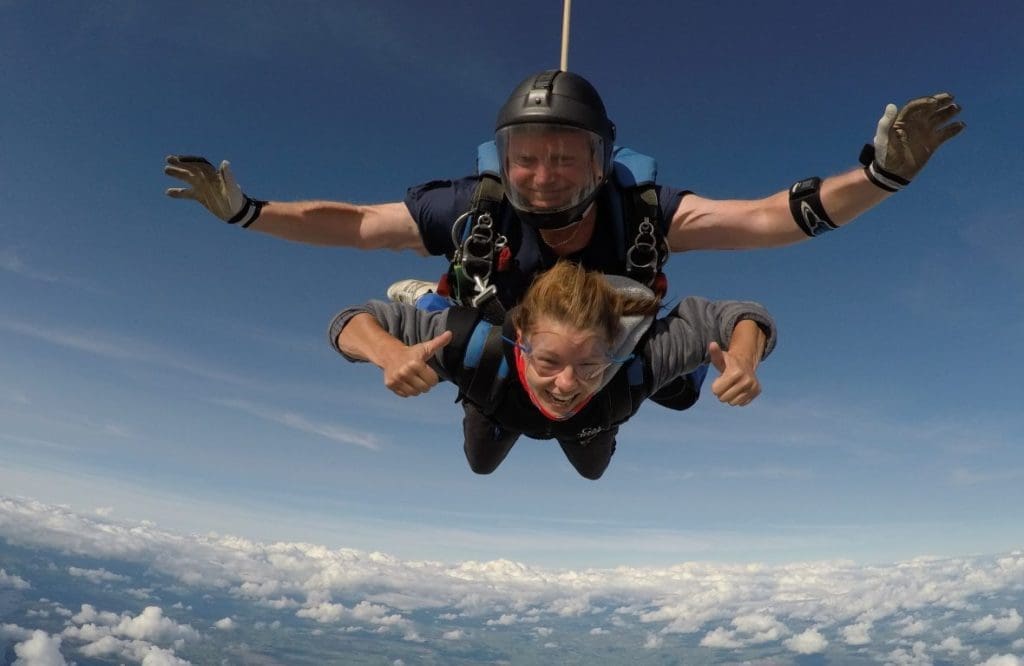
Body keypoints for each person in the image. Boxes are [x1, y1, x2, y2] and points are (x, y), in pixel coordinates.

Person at [164, 69, 961, 409]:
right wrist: (247, 211)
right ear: (502, 159)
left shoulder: (642, 214)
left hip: (600, 348)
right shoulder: (469, 211)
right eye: (526, 158)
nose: (543, 176)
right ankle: (427, 302)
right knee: (482, 409)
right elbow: (355, 225)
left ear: (600, 159)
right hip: (498, 327)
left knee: (604, 426)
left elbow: (767, 219)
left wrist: (879, 178)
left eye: (565, 157)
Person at [329, 261, 776, 479]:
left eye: (589, 364)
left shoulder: (641, 360)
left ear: (614, 347)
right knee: (480, 464)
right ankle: (432, 299)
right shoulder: (467, 348)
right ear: (520, 340)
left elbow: (742, 314)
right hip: (496, 396)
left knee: (592, 472)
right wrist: (389, 353)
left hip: (594, 418)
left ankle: (684, 380)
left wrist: (743, 356)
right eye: (548, 361)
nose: (565, 384)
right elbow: (349, 322)